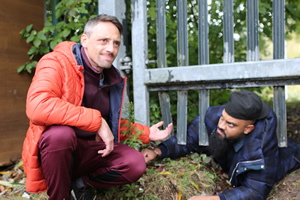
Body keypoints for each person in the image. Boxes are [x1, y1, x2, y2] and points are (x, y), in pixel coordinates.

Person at [22, 14, 173, 200]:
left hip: (92, 151)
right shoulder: (56, 62)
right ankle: (60, 196)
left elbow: (112, 124)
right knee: (60, 135)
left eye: (116, 43)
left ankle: (80, 184)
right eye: (104, 41)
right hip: (58, 152)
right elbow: (37, 105)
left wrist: (146, 133)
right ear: (84, 40)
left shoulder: (110, 77)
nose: (111, 49)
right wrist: (96, 121)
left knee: (134, 163)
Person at [142, 90, 300, 200]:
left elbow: (255, 191)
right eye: (223, 118)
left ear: (248, 129)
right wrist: (158, 151)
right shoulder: (216, 118)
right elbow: (190, 139)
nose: (221, 125)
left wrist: (216, 198)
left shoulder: (262, 145)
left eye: (231, 124)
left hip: (286, 158)